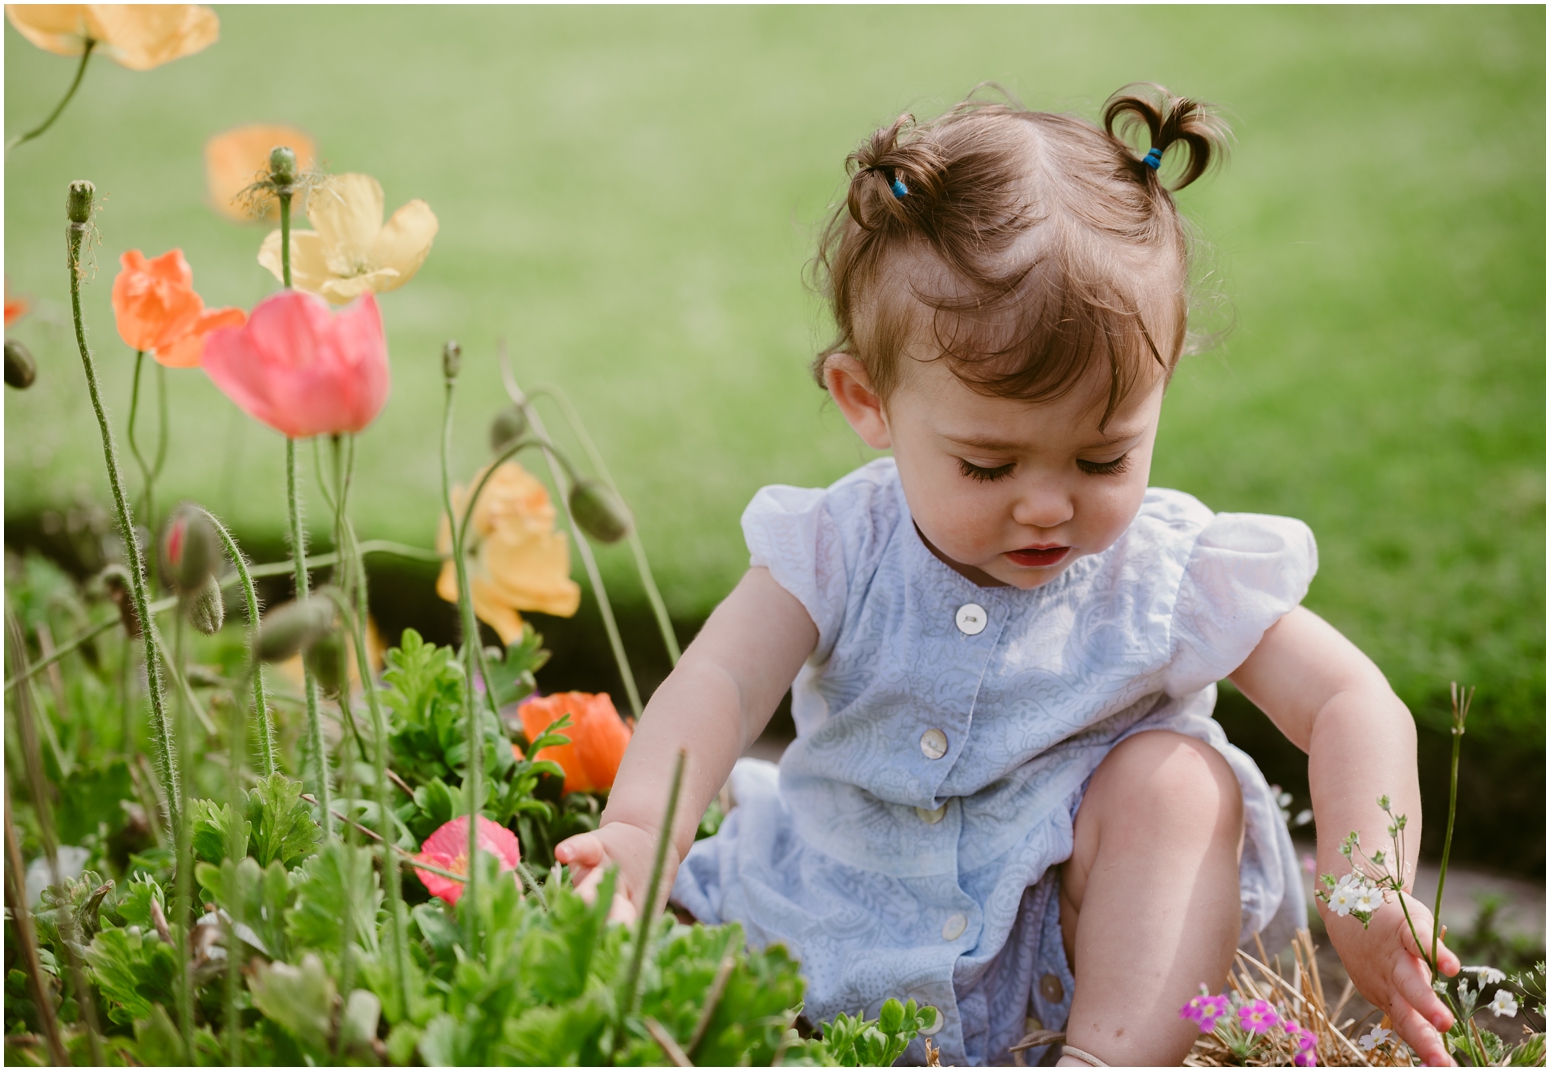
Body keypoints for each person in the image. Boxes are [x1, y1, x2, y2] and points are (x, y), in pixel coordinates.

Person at [555, 85, 1460, 1067]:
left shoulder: (1165, 569)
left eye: (1102, 459)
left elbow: (1348, 699)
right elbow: (721, 684)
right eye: (988, 466)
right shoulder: (837, 545)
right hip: (840, 910)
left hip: (1072, 958)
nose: (1046, 507)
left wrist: (1368, 882)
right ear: (868, 401)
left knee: (1178, 782)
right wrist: (644, 829)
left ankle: (1108, 1057)